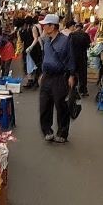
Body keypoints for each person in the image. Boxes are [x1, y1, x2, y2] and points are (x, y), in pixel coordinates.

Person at [37, 14, 77, 144]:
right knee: (44, 105)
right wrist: (42, 73)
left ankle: (62, 133)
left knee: (61, 106)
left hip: (60, 77)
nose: (43, 27)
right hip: (47, 76)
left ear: (52, 26)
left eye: (46, 25)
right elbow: (45, 58)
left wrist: (71, 75)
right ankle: (47, 131)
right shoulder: (46, 40)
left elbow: (71, 57)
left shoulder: (65, 40)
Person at [68, 21, 92, 97]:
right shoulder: (85, 35)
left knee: (73, 73)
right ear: (82, 27)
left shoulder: (71, 35)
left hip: (73, 57)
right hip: (82, 56)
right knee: (82, 74)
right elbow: (88, 45)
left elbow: (68, 46)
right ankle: (83, 90)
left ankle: (73, 90)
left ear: (75, 27)